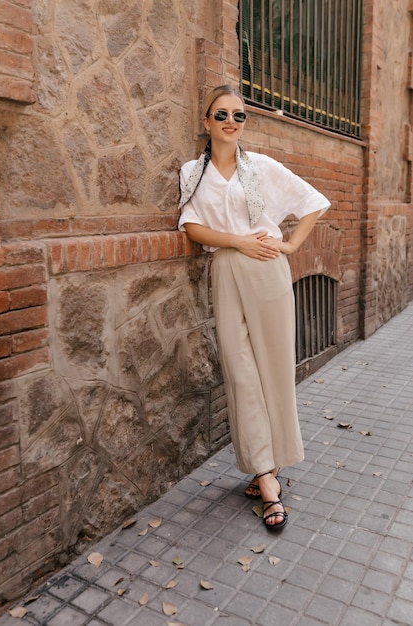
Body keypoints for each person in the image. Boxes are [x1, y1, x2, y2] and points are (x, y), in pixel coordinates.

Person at [178, 85, 330, 530]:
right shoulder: (192, 172)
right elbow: (191, 227)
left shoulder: (261, 167)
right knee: (240, 372)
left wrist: (290, 245)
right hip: (226, 270)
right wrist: (238, 240)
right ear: (206, 122)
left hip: (267, 272)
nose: (230, 122)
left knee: (273, 370)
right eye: (221, 114)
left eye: (239, 116)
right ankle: (265, 473)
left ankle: (269, 471)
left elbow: (313, 203)